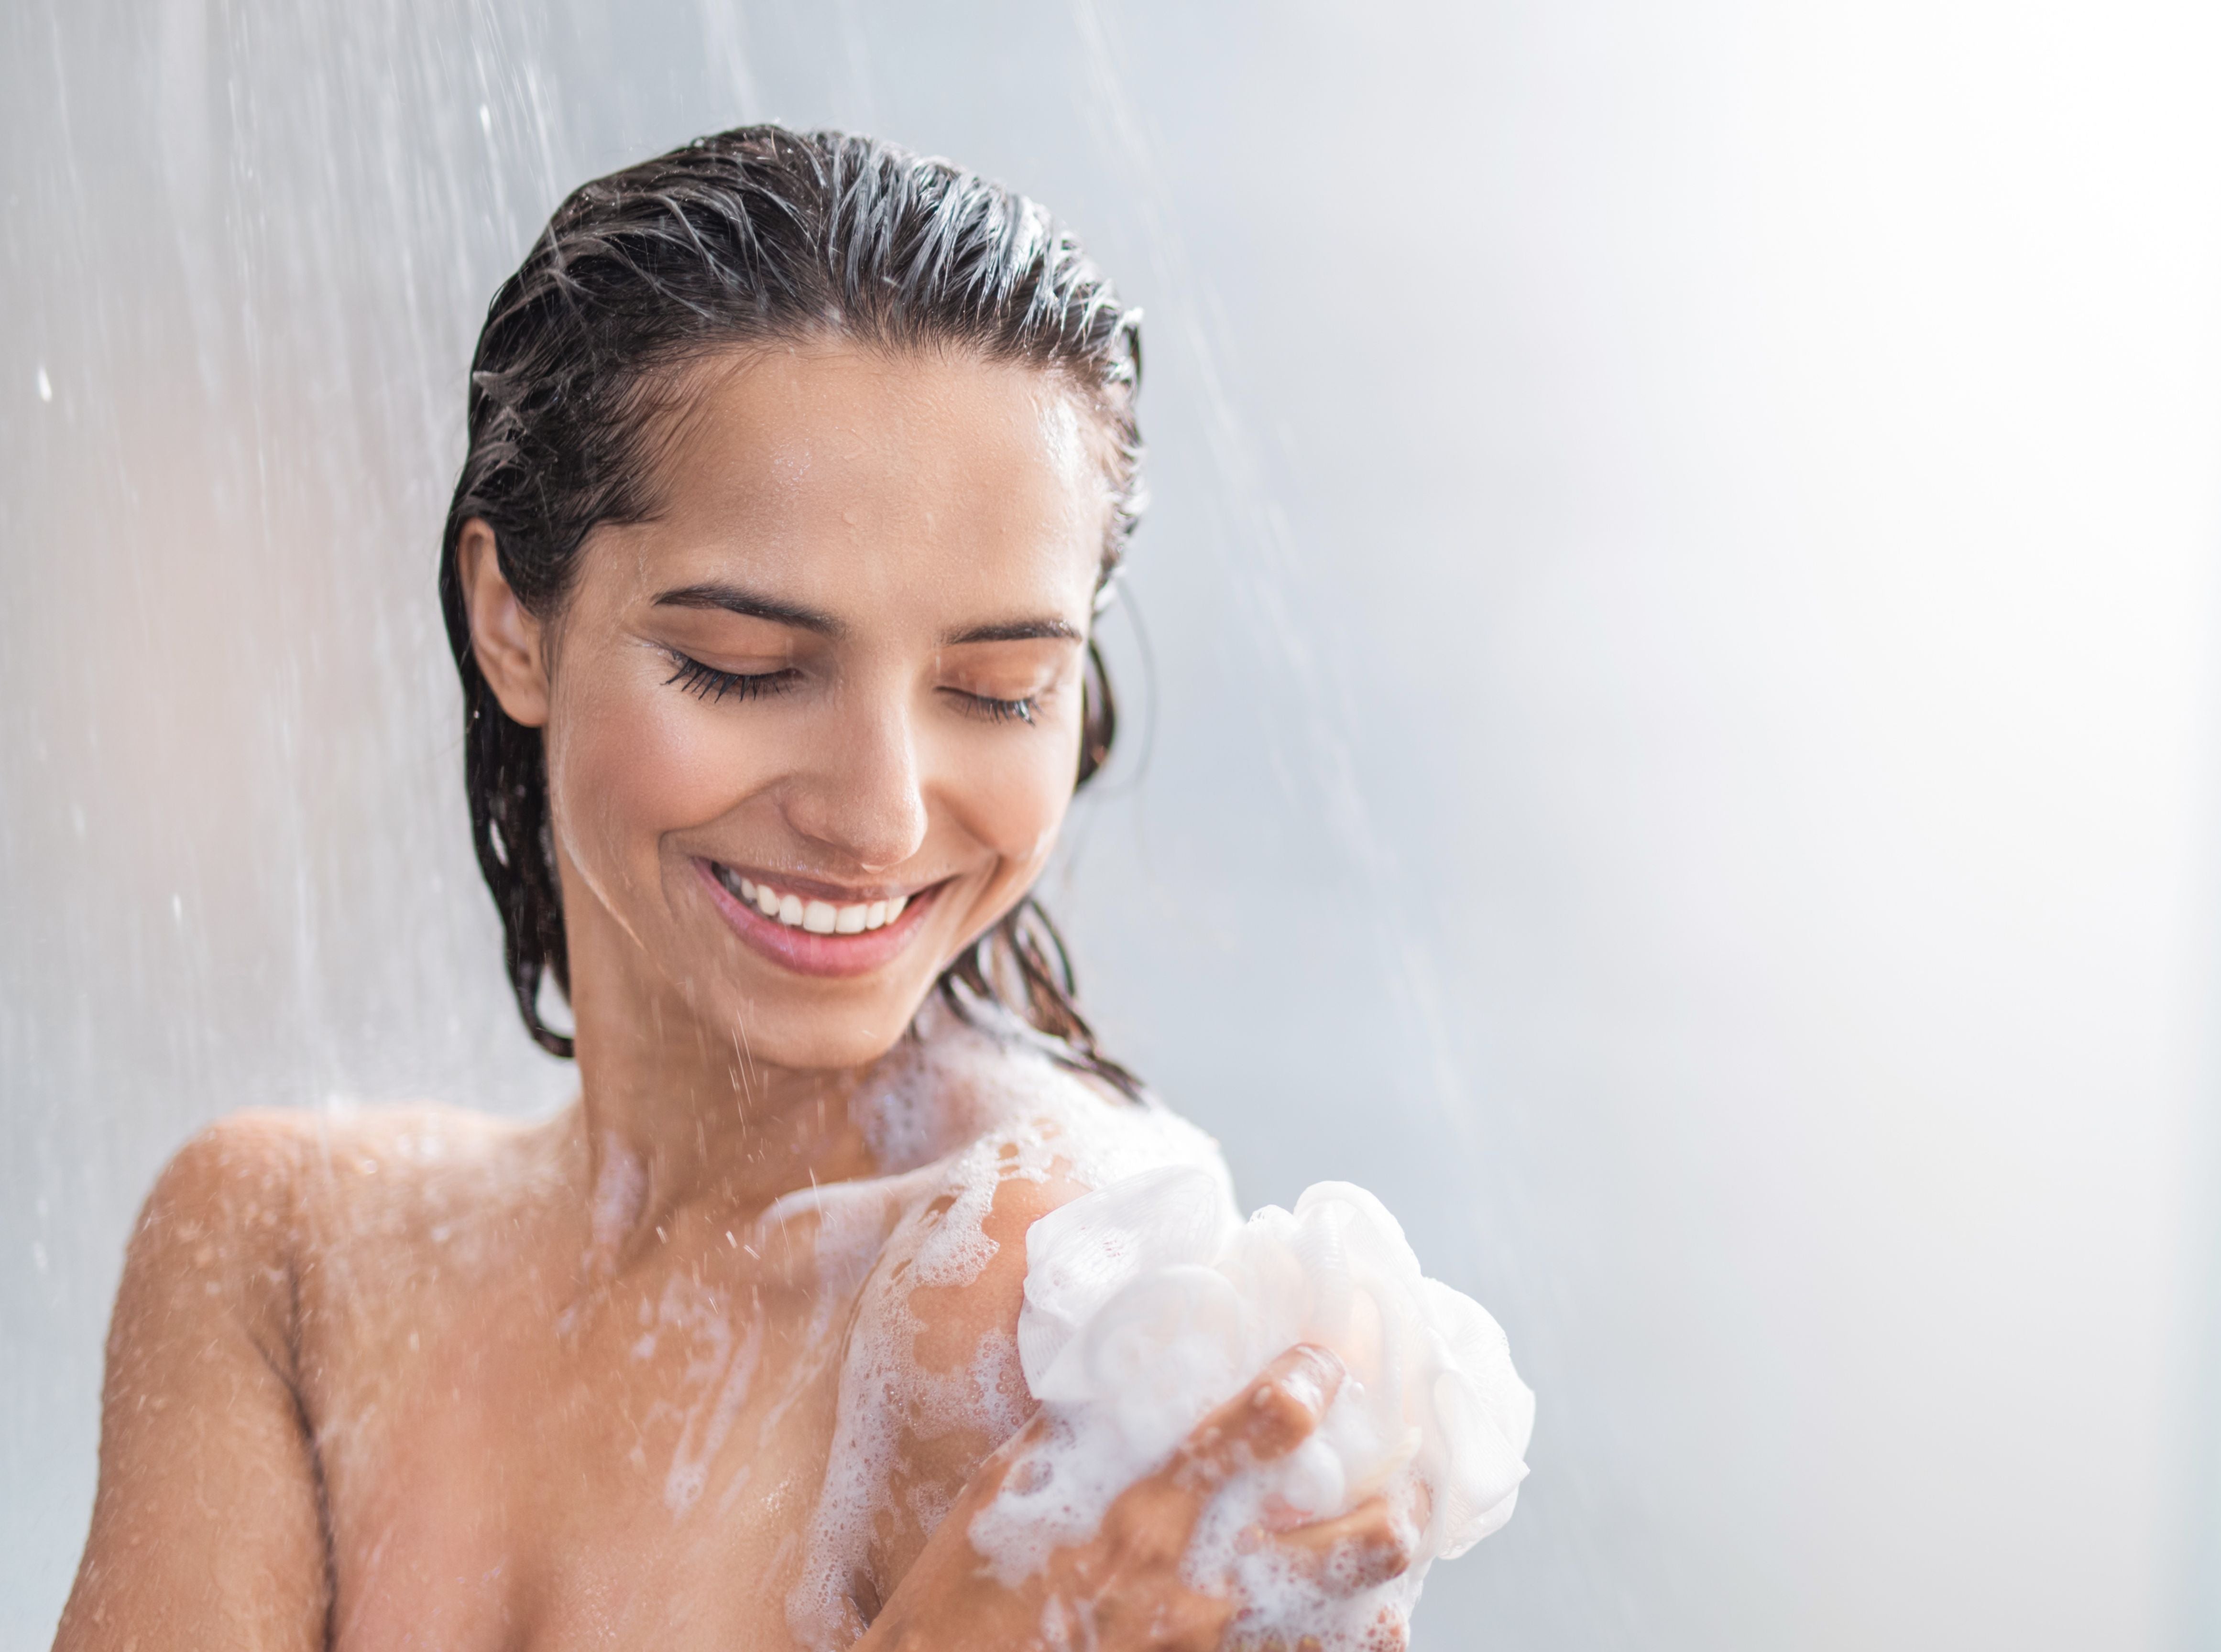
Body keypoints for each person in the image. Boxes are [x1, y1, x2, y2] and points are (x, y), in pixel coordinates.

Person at [55, 127, 1423, 1652]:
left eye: (999, 689)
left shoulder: (1069, 1323)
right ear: (509, 619)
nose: (880, 816)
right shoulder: (284, 1255)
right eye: (745, 667)